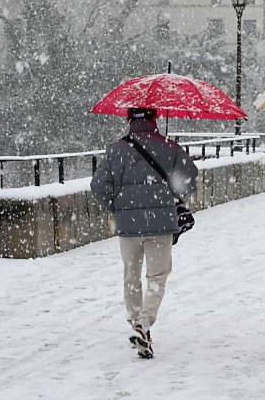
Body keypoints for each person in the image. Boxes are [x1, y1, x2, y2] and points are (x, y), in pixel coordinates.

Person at [90, 107, 198, 359]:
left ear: (128, 119)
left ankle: (136, 324)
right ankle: (145, 324)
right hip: (160, 225)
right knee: (157, 277)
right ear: (155, 118)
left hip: (128, 227)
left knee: (131, 275)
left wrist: (119, 207)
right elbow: (190, 181)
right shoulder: (169, 146)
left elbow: (98, 186)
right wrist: (170, 181)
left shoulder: (115, 149)